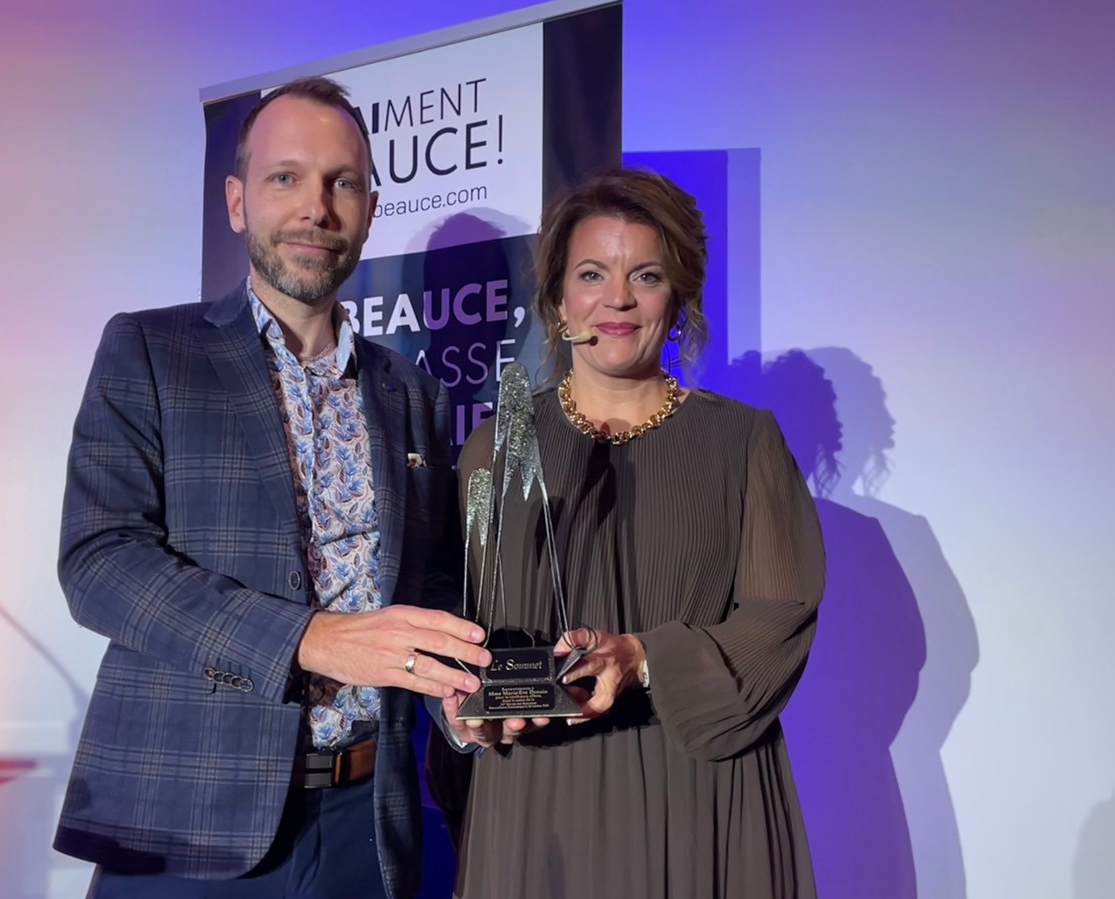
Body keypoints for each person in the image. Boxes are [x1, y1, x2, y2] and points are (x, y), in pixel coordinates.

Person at [54, 75, 490, 899]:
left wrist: (460, 699)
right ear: (237, 201)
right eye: (286, 177)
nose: (315, 208)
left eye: (342, 183)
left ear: (369, 209)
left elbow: (428, 587)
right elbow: (100, 562)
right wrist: (309, 638)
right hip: (186, 818)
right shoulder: (152, 350)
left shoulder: (414, 395)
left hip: (370, 824)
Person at [440, 168, 826, 899]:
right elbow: (462, 625)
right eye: (592, 274)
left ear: (677, 296)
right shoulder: (493, 447)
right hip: (539, 796)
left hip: (697, 787)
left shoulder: (743, 441)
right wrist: (466, 715)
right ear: (558, 299)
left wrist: (647, 657)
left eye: (645, 275)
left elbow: (780, 618)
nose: (617, 298)